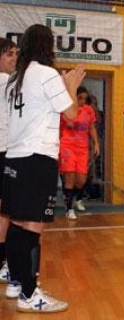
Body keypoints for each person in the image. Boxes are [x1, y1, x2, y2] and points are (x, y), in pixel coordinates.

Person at [2, 24, 85, 313]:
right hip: (38, 158)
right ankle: (29, 294)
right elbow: (72, 114)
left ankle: (17, 283)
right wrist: (71, 85)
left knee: (15, 224)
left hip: (14, 158)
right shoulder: (47, 74)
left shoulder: (16, 78)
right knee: (32, 226)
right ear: (48, 46)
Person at [59, 86, 100, 220]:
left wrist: (96, 144)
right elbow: (58, 128)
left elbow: (92, 128)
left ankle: (73, 198)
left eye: (84, 98)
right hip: (67, 146)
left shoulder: (88, 110)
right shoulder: (65, 109)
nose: (82, 100)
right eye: (80, 98)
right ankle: (69, 208)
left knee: (81, 180)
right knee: (69, 177)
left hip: (82, 148)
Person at [0, 38, 18, 291]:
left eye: (16, 54)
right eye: (10, 55)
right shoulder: (6, 81)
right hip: (5, 150)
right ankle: (4, 262)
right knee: (7, 211)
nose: (15, 58)